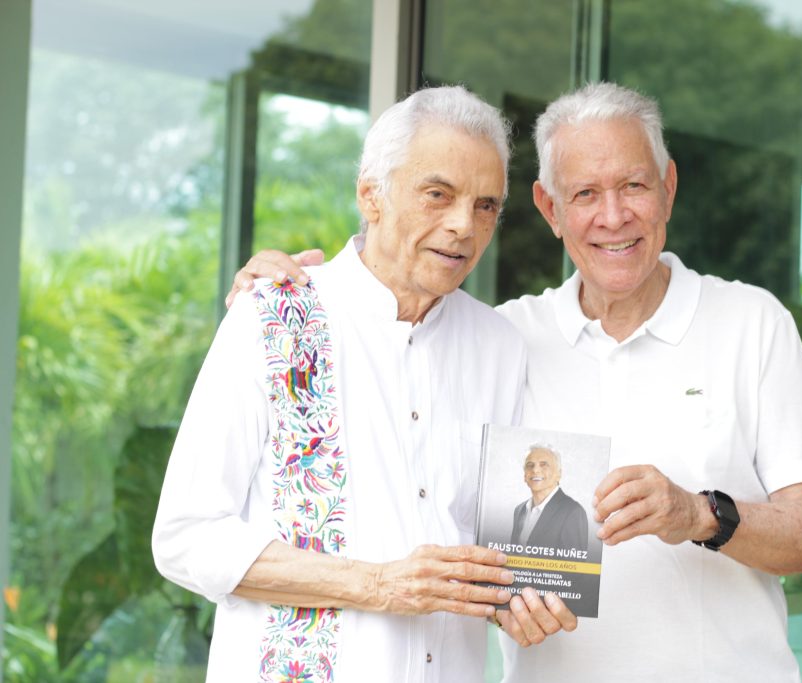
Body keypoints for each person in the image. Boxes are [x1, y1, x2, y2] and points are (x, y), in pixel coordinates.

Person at [229, 82, 802, 680]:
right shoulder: (500, 340)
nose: (613, 216)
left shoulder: (752, 322)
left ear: (668, 188)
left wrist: (698, 514)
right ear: (550, 209)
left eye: (634, 185)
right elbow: (440, 507)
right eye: (585, 194)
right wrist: (293, 295)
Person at [151, 85, 575, 683]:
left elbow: (506, 552)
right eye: (437, 194)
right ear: (371, 194)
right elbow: (185, 537)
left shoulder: (500, 347)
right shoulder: (273, 316)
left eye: (485, 205)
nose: (463, 225)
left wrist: (524, 602)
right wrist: (378, 584)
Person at [511, 445, 588, 552]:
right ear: (525, 475)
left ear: (559, 474)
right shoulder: (519, 510)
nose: (535, 470)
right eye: (530, 465)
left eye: (544, 465)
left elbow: (574, 561)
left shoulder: (573, 511)